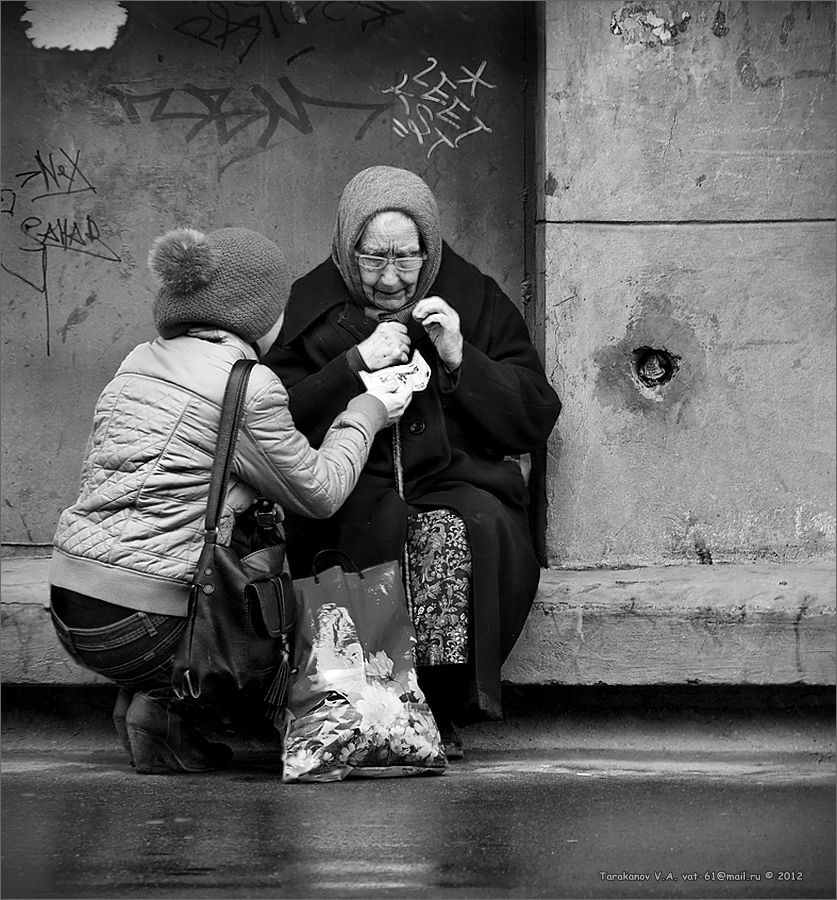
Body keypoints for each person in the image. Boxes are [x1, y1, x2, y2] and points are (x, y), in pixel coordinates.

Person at [49, 225, 412, 775]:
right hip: (142, 625)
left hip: (73, 602)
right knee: (292, 604)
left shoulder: (137, 362)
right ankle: (164, 692)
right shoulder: (245, 384)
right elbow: (320, 492)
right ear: (258, 313)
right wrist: (368, 411)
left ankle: (155, 714)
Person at [263, 166, 562, 757]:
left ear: (430, 248)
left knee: (463, 530)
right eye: (373, 259)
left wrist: (458, 355)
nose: (391, 278)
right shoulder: (305, 307)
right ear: (346, 247)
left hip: (458, 481)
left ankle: (438, 707)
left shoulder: (474, 299)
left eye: (407, 257)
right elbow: (273, 416)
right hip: (345, 484)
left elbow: (534, 415)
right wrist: (352, 364)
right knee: (366, 530)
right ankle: (363, 713)